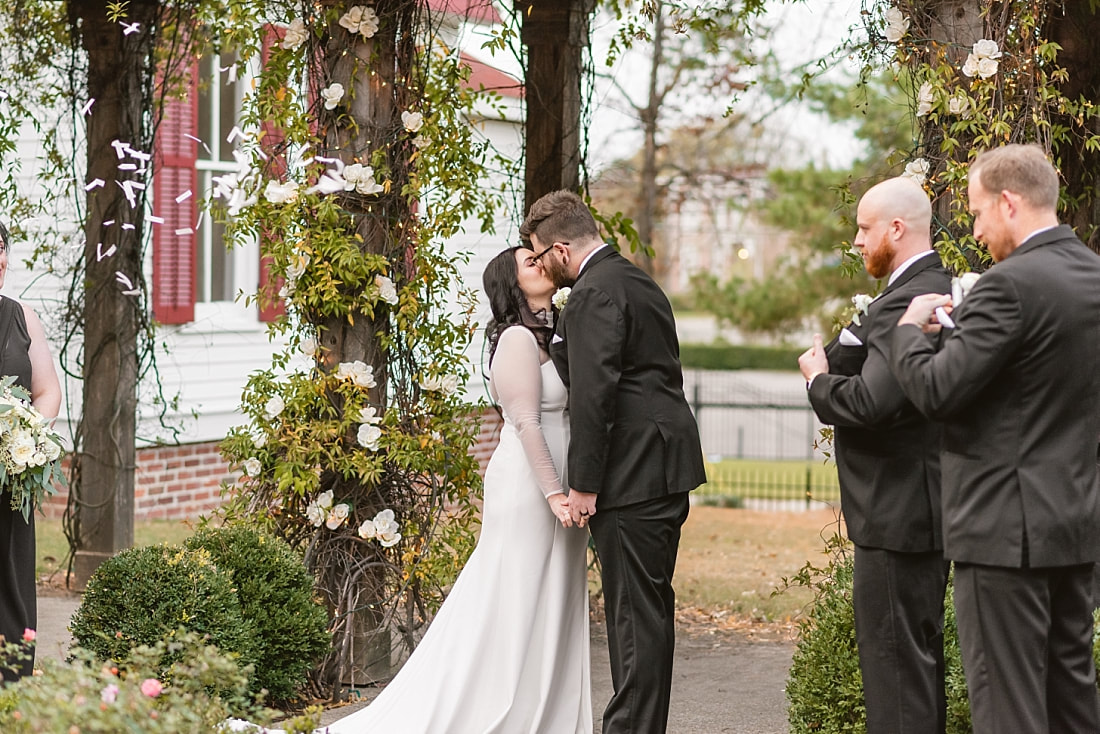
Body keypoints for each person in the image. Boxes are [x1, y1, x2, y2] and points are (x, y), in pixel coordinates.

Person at [257, 246, 591, 733]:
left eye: (539, 257)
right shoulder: (517, 340)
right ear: (512, 284)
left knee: (557, 593)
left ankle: (550, 713)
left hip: (562, 482)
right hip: (532, 486)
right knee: (515, 595)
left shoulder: (558, 333)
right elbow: (526, 422)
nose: (540, 262)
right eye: (528, 262)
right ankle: (499, 708)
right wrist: (554, 494)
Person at [889, 144, 1100, 733]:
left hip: (1002, 532)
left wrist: (909, 330)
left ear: (1009, 203)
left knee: (1007, 706)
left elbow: (936, 392)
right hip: (1075, 527)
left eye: (979, 212)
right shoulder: (1093, 277)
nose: (976, 230)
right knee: (1071, 701)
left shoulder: (1007, 287)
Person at [520, 190, 705, 734]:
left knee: (633, 620)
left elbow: (594, 398)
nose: (538, 265)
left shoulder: (593, 295)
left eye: (538, 254)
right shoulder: (635, 279)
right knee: (648, 613)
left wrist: (583, 484)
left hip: (632, 475)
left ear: (560, 248)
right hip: (664, 467)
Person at [797, 177, 951, 733]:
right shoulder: (914, 290)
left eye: (864, 228)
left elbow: (873, 401)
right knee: (914, 669)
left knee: (895, 673)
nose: (857, 241)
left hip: (897, 511)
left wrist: (818, 381)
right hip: (915, 510)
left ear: (895, 228)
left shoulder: (913, 298)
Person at [0, 220, 62, 681]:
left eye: (2, 248)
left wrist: (26, 434)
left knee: (10, 587)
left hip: (8, 482)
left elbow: (47, 392)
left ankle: (11, 684)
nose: (0, 259)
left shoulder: (23, 316)